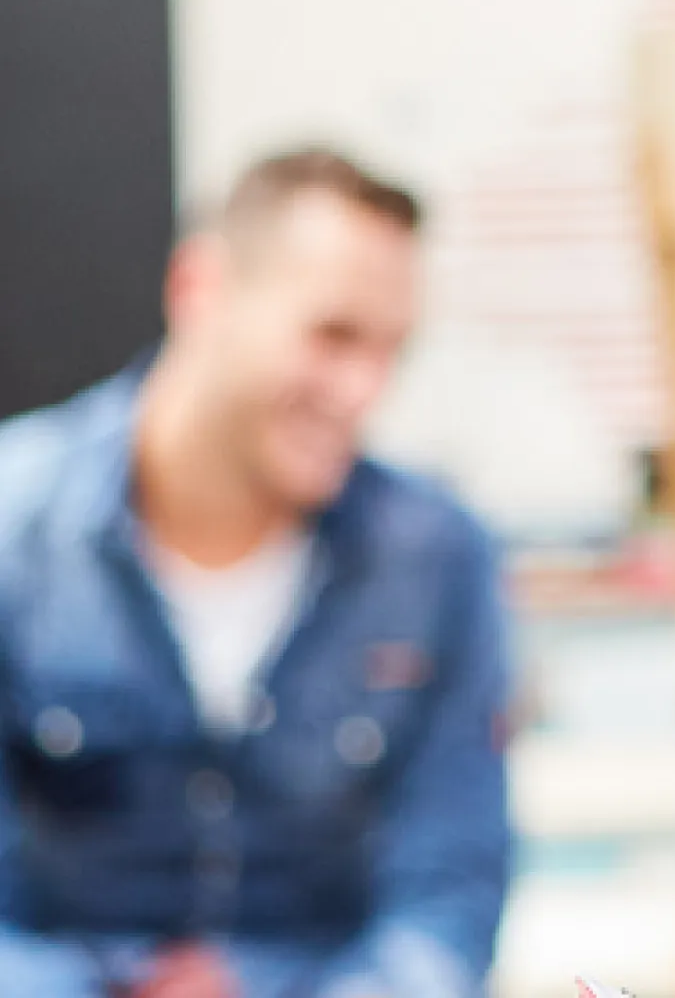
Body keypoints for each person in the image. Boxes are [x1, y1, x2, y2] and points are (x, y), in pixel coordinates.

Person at [0, 150, 512, 998]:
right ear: (200, 290)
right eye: (333, 336)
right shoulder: (16, 532)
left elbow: (446, 902)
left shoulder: (435, 558)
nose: (363, 389)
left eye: (393, 351)